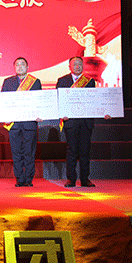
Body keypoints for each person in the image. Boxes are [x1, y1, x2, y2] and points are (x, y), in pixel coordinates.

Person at [56, 56, 97, 187]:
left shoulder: (90, 81)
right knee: (72, 150)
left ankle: (85, 179)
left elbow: (94, 100)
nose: (77, 66)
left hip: (85, 121)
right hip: (70, 121)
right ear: (69, 66)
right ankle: (71, 179)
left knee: (85, 150)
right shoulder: (62, 81)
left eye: (80, 64)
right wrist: (62, 113)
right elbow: (59, 100)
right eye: (75, 64)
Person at [1, 57, 42, 187]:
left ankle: (29, 179)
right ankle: (19, 178)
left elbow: (39, 101)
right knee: (16, 152)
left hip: (29, 123)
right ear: (14, 68)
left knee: (29, 152)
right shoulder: (8, 82)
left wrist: (40, 114)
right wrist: (5, 116)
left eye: (22, 64)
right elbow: (3, 101)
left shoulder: (35, 82)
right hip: (14, 123)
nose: (20, 66)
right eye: (17, 65)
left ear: (27, 67)